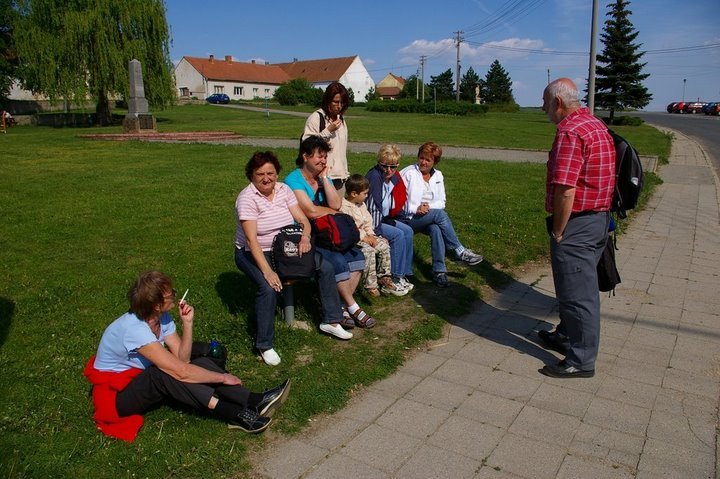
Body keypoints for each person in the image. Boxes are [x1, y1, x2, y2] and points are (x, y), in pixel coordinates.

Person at [83, 271, 291, 441]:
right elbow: (181, 371)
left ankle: (255, 400)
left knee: (195, 361)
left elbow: (183, 360)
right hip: (115, 396)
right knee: (163, 373)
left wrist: (187, 324)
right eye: (169, 294)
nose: (174, 294)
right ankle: (234, 413)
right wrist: (222, 377)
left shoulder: (160, 318)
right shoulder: (134, 330)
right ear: (156, 305)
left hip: (136, 379)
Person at [538, 77, 615, 378]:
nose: (544, 109)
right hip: (599, 219)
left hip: (578, 224)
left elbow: (566, 189)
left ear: (558, 102)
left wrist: (558, 232)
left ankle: (581, 359)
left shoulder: (570, 132)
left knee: (577, 294)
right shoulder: (594, 125)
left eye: (545, 103)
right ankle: (566, 335)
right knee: (575, 287)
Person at [285, 135, 377, 330]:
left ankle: (343, 307)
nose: (323, 161)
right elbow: (309, 211)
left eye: (325, 157)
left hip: (327, 233)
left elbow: (336, 204)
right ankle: (353, 307)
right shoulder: (293, 180)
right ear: (305, 156)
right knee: (338, 262)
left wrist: (325, 178)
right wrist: (330, 212)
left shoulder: (320, 179)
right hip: (306, 235)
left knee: (357, 256)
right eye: (319, 156)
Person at [234, 150, 317, 365]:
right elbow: (251, 241)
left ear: (277, 174)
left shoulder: (284, 190)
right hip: (252, 251)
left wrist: (305, 237)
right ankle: (264, 344)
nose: (266, 178)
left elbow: (302, 219)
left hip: (283, 245)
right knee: (268, 288)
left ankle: (331, 319)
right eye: (260, 174)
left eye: (270, 173)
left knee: (322, 266)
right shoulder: (247, 198)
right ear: (251, 176)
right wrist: (268, 271)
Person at [399, 142, 484, 287]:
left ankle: (439, 271)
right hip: (407, 219)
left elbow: (441, 202)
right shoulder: (408, 173)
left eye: (428, 160)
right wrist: (416, 209)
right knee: (440, 216)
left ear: (435, 162)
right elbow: (398, 200)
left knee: (436, 229)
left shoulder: (438, 175)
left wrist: (427, 207)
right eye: (421, 158)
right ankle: (459, 251)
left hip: (426, 216)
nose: (423, 162)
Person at [340, 174, 407, 297]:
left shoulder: (361, 205)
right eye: (365, 194)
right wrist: (364, 237)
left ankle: (384, 276)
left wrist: (371, 235)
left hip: (367, 235)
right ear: (354, 194)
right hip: (355, 239)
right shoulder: (344, 208)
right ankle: (370, 285)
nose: (367, 196)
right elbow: (351, 227)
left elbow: (368, 221)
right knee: (368, 251)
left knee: (384, 245)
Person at [365, 144, 415, 292]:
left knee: (407, 230)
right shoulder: (374, 178)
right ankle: (393, 279)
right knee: (398, 235)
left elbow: (395, 202)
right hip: (371, 222)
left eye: (393, 167)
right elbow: (373, 208)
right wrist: (378, 233)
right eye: (384, 166)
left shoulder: (393, 178)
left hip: (384, 217)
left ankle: (403, 273)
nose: (389, 171)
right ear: (379, 163)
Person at [301, 82, 350, 193]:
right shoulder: (316, 118)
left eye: (342, 102)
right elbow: (307, 145)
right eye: (336, 102)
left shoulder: (341, 119)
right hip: (321, 178)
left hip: (340, 177)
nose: (339, 106)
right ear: (328, 101)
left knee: (338, 209)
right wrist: (327, 131)